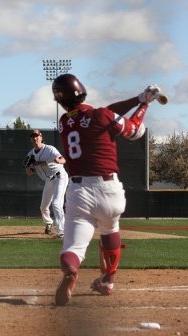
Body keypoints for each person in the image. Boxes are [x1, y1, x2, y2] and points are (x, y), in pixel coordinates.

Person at [51, 73, 162, 306]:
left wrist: (139, 97)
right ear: (81, 90)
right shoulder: (101, 115)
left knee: (73, 248)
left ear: (60, 100)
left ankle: (71, 270)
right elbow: (132, 129)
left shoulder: (64, 123)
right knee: (110, 228)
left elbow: (103, 114)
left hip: (79, 191)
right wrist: (143, 104)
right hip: (109, 189)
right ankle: (107, 281)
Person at [23, 129, 68, 238]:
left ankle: (62, 231)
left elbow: (63, 159)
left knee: (57, 203)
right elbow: (29, 173)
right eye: (33, 137)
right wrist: (27, 166)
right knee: (43, 207)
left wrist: (59, 160)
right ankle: (48, 223)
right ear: (31, 139)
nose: (35, 138)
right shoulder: (31, 154)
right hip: (49, 180)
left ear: (41, 137)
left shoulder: (49, 149)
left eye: (37, 136)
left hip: (60, 177)